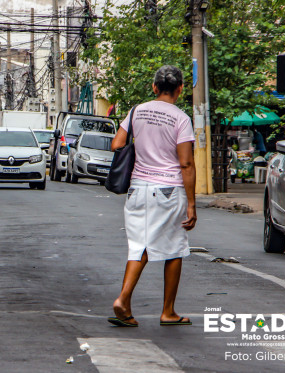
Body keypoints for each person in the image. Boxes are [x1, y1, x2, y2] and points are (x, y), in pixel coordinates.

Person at [108, 65, 197, 328]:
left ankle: (125, 300)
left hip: (137, 189)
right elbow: (186, 164)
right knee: (174, 249)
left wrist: (144, 143)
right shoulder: (181, 118)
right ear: (180, 89)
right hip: (169, 191)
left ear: (154, 87)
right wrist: (191, 204)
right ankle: (166, 311)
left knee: (138, 247)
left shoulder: (137, 110)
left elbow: (117, 144)